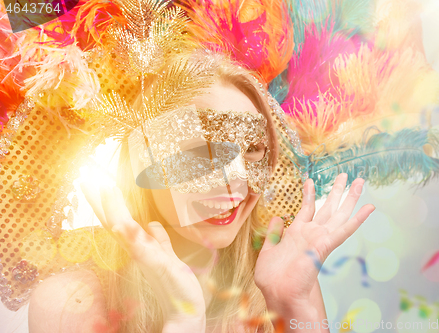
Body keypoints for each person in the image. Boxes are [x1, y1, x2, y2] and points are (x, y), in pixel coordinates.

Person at [26, 54, 375, 333]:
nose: (234, 183)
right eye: (201, 152)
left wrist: (293, 310)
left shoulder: (283, 278)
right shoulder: (71, 302)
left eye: (253, 148)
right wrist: (183, 320)